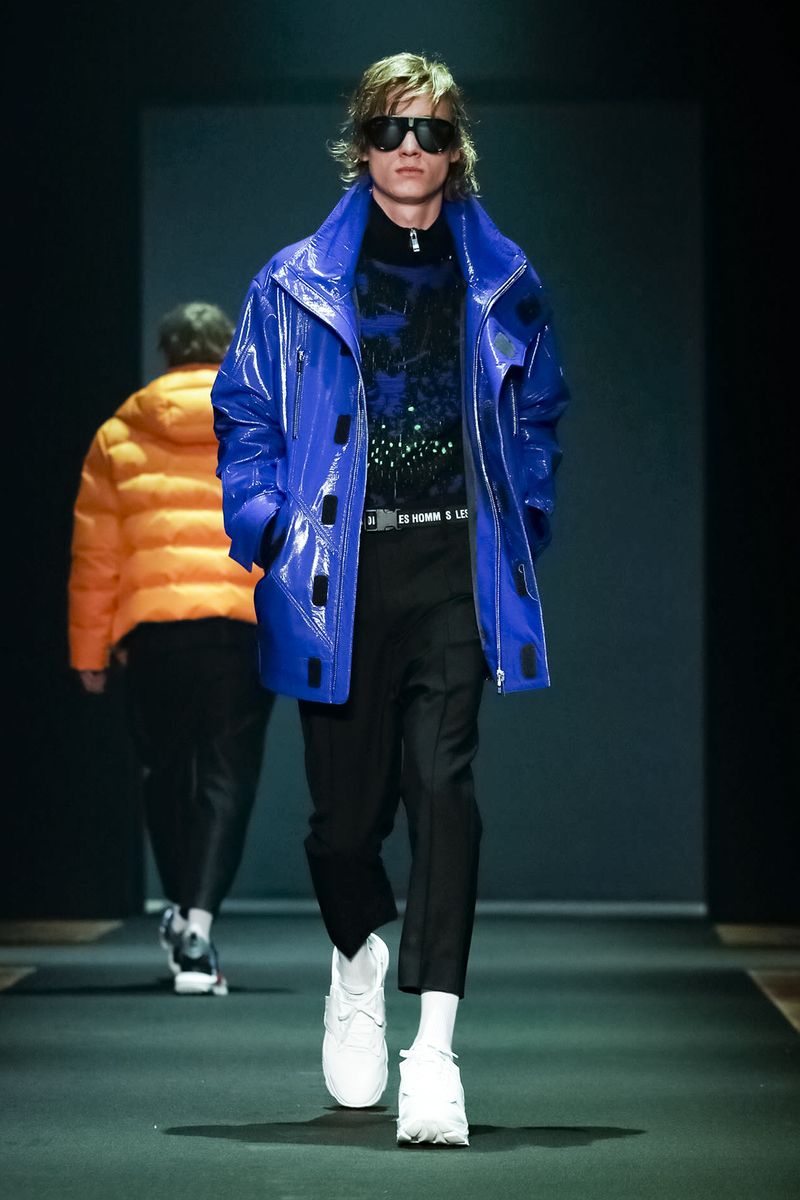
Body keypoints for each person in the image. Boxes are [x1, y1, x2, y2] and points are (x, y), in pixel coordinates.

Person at [212, 51, 568, 1143]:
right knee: (341, 827)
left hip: (455, 566)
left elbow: (540, 411)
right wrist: (269, 524)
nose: (409, 149)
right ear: (359, 144)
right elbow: (245, 414)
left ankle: (435, 1051)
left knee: (444, 790)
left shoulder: (503, 278)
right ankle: (356, 960)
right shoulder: (291, 282)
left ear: (457, 151)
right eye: (389, 129)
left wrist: (524, 516)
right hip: (339, 573)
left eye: (430, 132)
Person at [69, 302, 273, 996]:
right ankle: (199, 929)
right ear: (229, 350)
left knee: (164, 775)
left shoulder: (118, 434)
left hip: (152, 637)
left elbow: (96, 556)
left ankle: (183, 913)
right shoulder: (260, 422)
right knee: (226, 779)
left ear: (166, 354)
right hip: (238, 629)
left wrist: (89, 652)